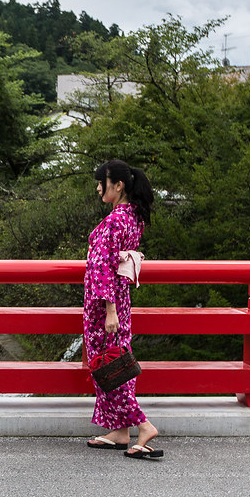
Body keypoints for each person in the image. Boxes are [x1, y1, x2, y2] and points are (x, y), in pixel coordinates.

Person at [83, 160, 164, 460]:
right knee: (117, 361)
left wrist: (109, 310)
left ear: (118, 186)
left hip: (106, 306)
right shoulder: (134, 217)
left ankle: (144, 426)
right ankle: (118, 431)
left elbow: (104, 266)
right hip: (119, 300)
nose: (98, 187)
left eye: (102, 182)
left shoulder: (116, 221)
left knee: (108, 366)